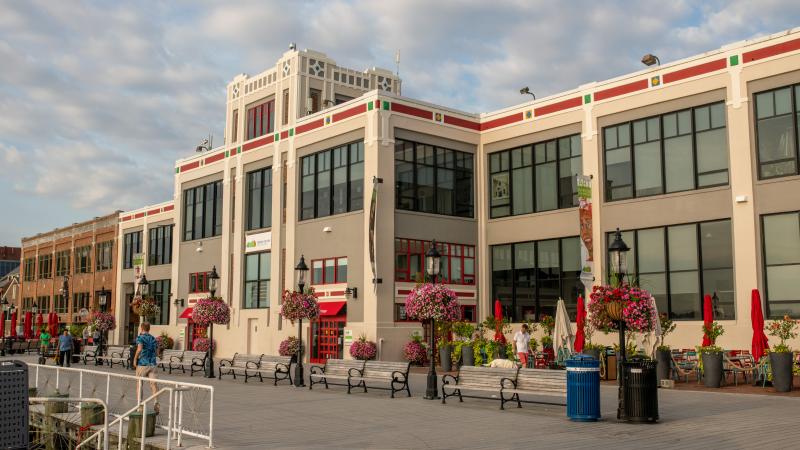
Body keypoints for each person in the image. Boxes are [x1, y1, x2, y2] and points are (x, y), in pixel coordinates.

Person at [133, 322, 159, 413]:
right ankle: (156, 402)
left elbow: (139, 349)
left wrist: (135, 359)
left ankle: (140, 406)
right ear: (149, 329)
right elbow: (156, 352)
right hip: (152, 364)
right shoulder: (153, 338)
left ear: (141, 328)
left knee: (139, 384)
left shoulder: (140, 338)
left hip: (143, 364)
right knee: (153, 384)